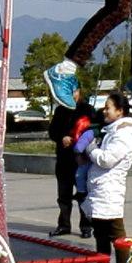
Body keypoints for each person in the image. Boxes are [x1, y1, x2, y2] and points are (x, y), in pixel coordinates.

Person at [84, 92, 132, 263]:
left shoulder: (124, 135)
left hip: (110, 191)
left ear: (120, 111)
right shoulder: (113, 130)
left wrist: (91, 149)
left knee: (117, 237)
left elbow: (107, 159)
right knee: (101, 237)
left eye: (108, 107)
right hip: (101, 191)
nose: (104, 111)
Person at [46, 88, 96, 239]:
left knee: (83, 194)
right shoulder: (60, 110)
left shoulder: (87, 109)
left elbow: (95, 129)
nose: (71, 95)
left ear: (79, 91)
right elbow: (52, 131)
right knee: (63, 195)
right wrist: (62, 137)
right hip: (64, 159)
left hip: (81, 160)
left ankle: (86, 226)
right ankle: (63, 225)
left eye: (73, 91)